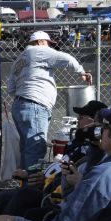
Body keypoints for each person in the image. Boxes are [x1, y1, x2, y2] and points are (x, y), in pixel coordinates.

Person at [7, 30, 91, 171]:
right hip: (34, 105)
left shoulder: (19, 59)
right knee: (35, 148)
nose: (50, 47)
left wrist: (25, 90)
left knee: (27, 148)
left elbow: (10, 88)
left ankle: (24, 184)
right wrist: (81, 71)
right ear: (40, 42)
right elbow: (66, 59)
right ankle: (31, 189)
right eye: (48, 44)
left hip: (20, 104)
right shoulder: (38, 51)